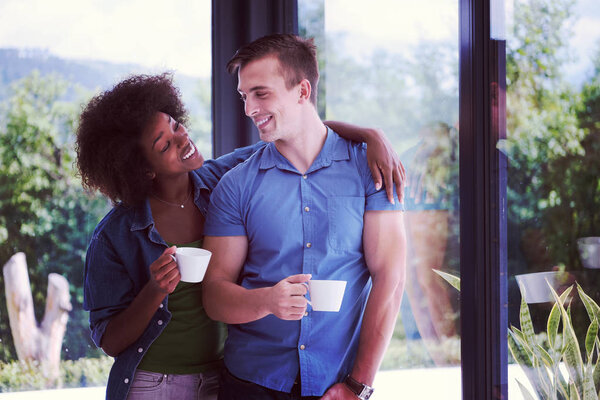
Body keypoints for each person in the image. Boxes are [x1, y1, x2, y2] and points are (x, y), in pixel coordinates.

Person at [76, 72, 405, 400]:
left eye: (175, 125)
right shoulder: (115, 235)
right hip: (154, 384)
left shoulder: (223, 180)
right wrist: (155, 289)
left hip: (221, 378)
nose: (182, 139)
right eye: (164, 145)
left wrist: (370, 135)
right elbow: (109, 340)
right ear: (142, 168)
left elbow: (299, 129)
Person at [202, 34, 407, 400]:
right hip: (253, 384)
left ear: (302, 91)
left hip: (339, 384)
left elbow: (391, 278)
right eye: (244, 96)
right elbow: (215, 294)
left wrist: (358, 386)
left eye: (260, 93)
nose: (249, 109)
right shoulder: (236, 185)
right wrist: (266, 301)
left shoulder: (369, 169)